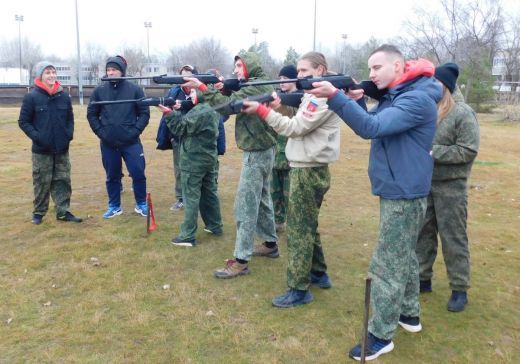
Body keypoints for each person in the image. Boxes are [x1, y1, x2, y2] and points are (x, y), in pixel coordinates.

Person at [308, 44, 442, 361]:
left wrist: (337, 98)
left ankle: (381, 335)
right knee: (403, 255)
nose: (371, 74)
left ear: (398, 67)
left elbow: (371, 128)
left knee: (387, 265)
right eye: (369, 69)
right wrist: (356, 100)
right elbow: (380, 126)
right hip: (399, 188)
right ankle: (408, 315)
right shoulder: (399, 96)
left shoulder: (416, 99)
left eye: (376, 67)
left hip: (404, 193)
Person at [241, 52, 342, 307]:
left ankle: (299, 288)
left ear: (320, 69)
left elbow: (295, 128)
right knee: (307, 223)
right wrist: (278, 106)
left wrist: (264, 111)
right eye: (297, 71)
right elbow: (298, 118)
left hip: (308, 169)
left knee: (298, 229)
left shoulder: (321, 97)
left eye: (304, 71)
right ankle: (319, 273)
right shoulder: (316, 93)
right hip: (308, 165)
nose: (299, 76)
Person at [182, 51, 278, 278]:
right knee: (262, 199)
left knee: (245, 205)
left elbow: (227, 107)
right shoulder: (255, 83)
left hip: (257, 152)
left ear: (249, 66)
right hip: (263, 149)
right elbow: (233, 96)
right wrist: (221, 87)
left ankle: (241, 260)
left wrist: (205, 89)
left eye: (238, 65)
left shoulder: (255, 87)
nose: (235, 70)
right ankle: (270, 243)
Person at [416, 63, 480, 312]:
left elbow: (468, 150)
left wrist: (435, 152)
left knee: (453, 238)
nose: (430, 86)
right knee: (423, 234)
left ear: (445, 86)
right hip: (425, 182)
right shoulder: (429, 108)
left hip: (451, 188)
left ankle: (459, 288)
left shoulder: (463, 113)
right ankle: (423, 279)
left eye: (434, 83)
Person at [18, 61, 82, 225]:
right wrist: (38, 137)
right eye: (48, 73)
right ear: (40, 76)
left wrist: (68, 135)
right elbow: (24, 122)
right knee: (41, 181)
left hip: (62, 148)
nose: (52, 76)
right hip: (41, 150)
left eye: (53, 72)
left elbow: (70, 118)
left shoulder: (63, 97)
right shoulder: (32, 97)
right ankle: (39, 213)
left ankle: (63, 212)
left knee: (63, 180)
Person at [87, 55, 150, 219]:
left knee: (138, 172)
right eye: (108, 70)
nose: (111, 72)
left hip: (131, 142)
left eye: (114, 69)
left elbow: (144, 113)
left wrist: (134, 131)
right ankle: (114, 206)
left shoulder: (135, 89)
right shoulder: (99, 91)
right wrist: (102, 133)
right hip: (108, 143)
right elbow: (92, 115)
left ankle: (141, 204)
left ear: (122, 71)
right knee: (112, 176)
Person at [158, 98, 223, 247]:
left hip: (194, 159)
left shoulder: (200, 110)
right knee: (209, 193)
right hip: (208, 157)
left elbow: (181, 128)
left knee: (191, 197)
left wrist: (168, 113)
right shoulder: (211, 105)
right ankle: (215, 225)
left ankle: (187, 235)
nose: (189, 96)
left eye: (193, 91)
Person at [156, 64, 199, 211]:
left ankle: (198, 197)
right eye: (182, 74)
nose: (184, 77)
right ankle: (181, 198)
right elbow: (167, 115)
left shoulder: (202, 92)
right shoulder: (173, 92)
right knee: (179, 168)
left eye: (188, 74)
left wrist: (185, 106)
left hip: (197, 138)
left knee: (197, 168)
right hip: (178, 136)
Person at [270, 64, 298, 232]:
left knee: (291, 194)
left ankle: (294, 224)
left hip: (291, 154)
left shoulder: (300, 99)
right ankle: (277, 222)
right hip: (276, 152)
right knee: (275, 192)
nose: (281, 82)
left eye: (285, 79)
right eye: (280, 79)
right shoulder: (278, 98)